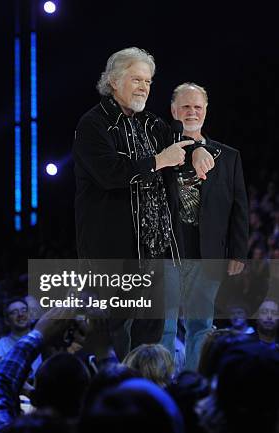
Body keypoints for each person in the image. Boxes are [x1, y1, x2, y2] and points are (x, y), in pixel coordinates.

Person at [71, 47, 215, 358]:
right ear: (113, 81)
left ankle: (147, 394)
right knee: (113, 333)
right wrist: (157, 160)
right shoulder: (92, 124)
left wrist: (199, 147)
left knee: (151, 336)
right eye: (136, 79)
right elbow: (109, 174)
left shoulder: (153, 124)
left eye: (148, 82)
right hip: (114, 250)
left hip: (157, 250)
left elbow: (181, 146)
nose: (144, 88)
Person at [161, 83, 248, 371]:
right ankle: (162, 385)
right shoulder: (159, 154)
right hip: (167, 253)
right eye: (186, 106)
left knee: (201, 324)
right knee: (165, 325)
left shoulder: (228, 156)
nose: (192, 112)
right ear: (174, 110)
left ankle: (192, 384)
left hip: (207, 252)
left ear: (206, 111)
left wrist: (238, 252)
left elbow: (239, 207)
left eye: (198, 107)